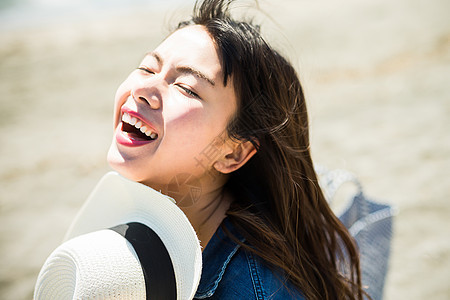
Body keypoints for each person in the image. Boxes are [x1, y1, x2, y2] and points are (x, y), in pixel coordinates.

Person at [107, 0, 366, 299]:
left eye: (187, 88)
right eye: (147, 68)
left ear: (234, 153)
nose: (142, 90)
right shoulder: (142, 230)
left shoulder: (254, 291)